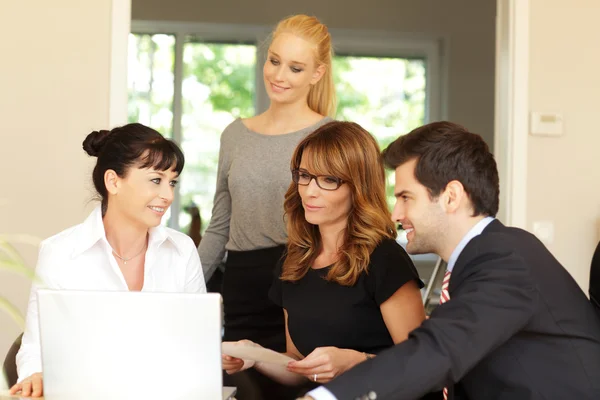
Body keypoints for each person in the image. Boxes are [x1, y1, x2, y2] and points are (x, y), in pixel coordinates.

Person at [303, 121, 600, 400]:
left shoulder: (505, 256)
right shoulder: (481, 259)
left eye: (406, 197)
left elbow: (440, 348)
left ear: (451, 196)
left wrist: (328, 397)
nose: (395, 214)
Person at [222, 121, 427, 398]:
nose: (309, 190)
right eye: (304, 175)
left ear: (359, 187)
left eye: (329, 180)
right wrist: (258, 356)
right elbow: (298, 366)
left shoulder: (384, 258)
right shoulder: (293, 262)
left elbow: (422, 366)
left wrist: (355, 361)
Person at [10, 123, 206, 398]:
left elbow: (197, 346)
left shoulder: (182, 249)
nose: (168, 195)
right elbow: (36, 346)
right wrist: (36, 374)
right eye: (155, 180)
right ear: (113, 181)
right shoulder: (61, 252)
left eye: (171, 182)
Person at [198, 14, 335, 399]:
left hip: (302, 283)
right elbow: (218, 226)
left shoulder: (328, 136)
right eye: (274, 61)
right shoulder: (235, 135)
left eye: (295, 67)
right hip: (240, 287)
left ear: (317, 73)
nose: (279, 75)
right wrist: (182, 289)